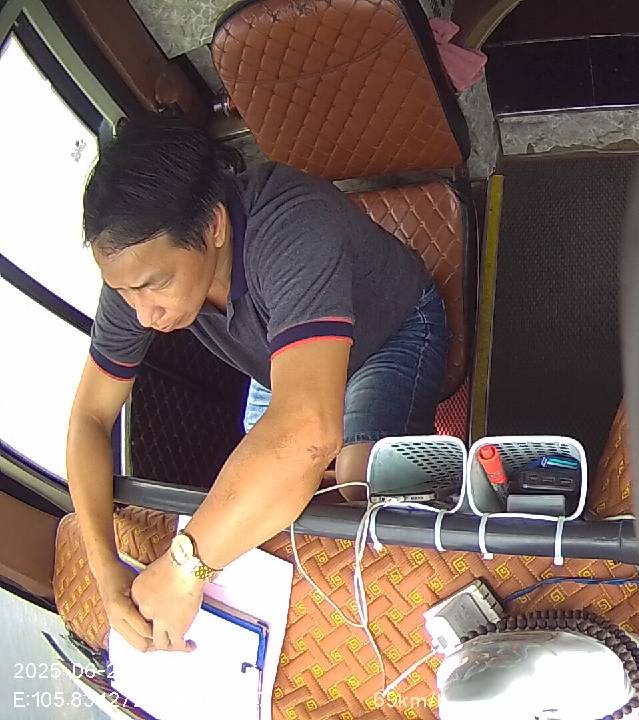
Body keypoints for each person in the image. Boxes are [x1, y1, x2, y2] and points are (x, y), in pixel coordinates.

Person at [65, 115, 449, 654]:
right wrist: (104, 567)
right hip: (281, 362)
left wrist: (185, 567)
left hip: (388, 333)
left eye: (156, 286)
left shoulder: (295, 226)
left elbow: (308, 432)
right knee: (255, 497)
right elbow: (89, 417)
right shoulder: (137, 275)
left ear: (213, 227)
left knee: (357, 488)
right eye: (126, 293)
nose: (143, 315)